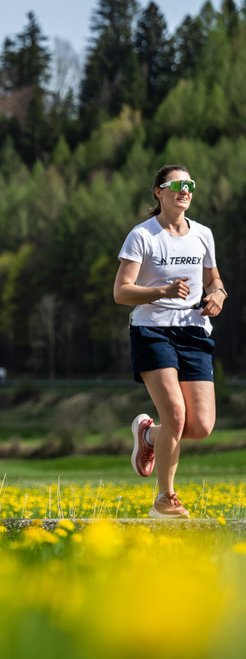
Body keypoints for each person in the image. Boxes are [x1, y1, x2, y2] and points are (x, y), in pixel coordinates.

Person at [114, 165, 225, 519]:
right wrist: (162, 291)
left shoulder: (203, 235)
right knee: (175, 415)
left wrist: (218, 296)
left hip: (194, 331)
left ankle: (148, 436)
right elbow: (121, 292)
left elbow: (214, 281)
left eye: (190, 184)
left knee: (201, 426)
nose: (185, 189)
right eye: (176, 184)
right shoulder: (142, 236)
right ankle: (165, 499)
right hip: (152, 330)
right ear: (159, 192)